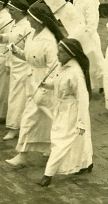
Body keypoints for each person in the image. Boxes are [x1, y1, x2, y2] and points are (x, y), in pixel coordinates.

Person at [6, 3, 64, 167]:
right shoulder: (32, 34)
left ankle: (22, 156)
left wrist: (45, 89)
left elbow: (54, 67)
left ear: (38, 20)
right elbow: (30, 57)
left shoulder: (49, 41)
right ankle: (52, 147)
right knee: (47, 120)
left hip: (45, 85)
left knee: (29, 119)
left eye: (30, 17)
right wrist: (16, 51)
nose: (28, 20)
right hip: (31, 81)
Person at [37, 38, 93, 187]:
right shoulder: (62, 67)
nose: (57, 55)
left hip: (72, 111)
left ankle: (48, 174)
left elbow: (83, 98)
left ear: (70, 54)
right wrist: (46, 85)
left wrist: (81, 121)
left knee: (60, 141)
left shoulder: (76, 73)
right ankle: (87, 163)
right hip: (61, 109)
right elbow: (58, 84)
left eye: (61, 52)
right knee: (79, 139)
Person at [0, 0, 31, 141]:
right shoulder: (14, 23)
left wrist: (16, 50)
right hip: (14, 64)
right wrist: (2, 37)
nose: (9, 12)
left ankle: (14, 128)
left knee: (18, 97)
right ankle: (18, 125)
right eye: (9, 9)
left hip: (24, 66)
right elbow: (13, 36)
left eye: (12, 10)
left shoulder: (28, 26)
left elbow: (28, 48)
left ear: (21, 11)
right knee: (16, 96)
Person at [70, 0, 106, 93]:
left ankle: (105, 84)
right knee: (84, 62)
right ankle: (88, 85)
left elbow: (92, 24)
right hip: (78, 35)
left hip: (89, 37)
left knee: (97, 62)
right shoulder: (75, 0)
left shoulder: (89, 1)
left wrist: (83, 35)